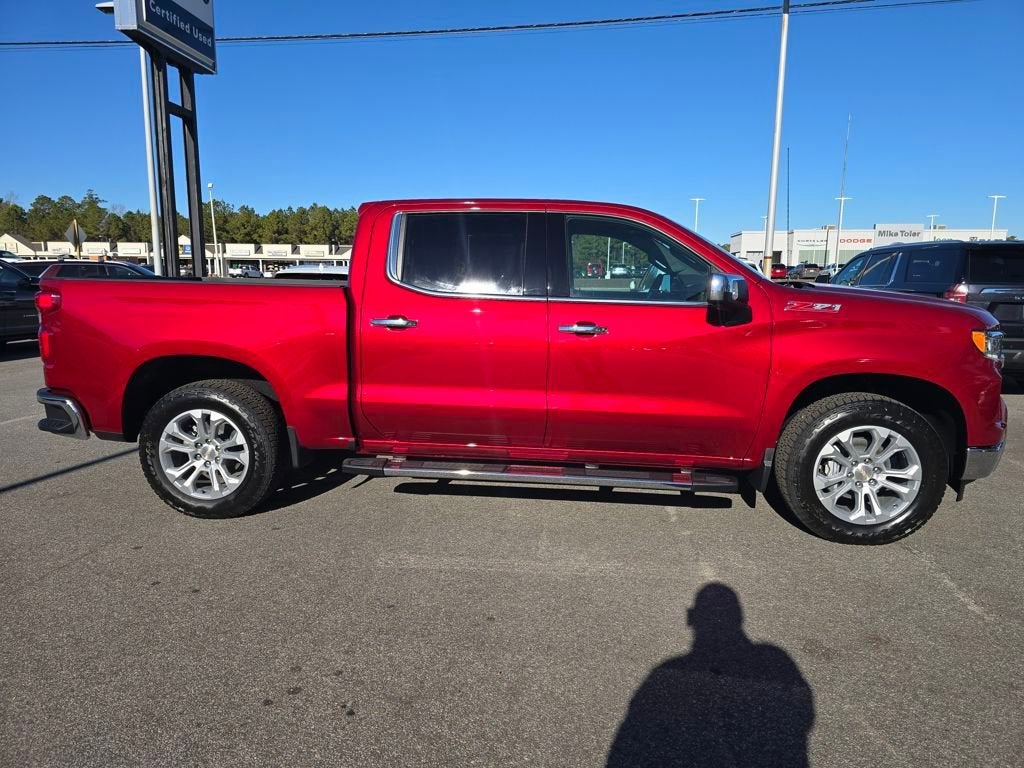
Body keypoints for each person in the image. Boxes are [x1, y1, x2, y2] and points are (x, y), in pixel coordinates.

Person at [607, 583, 814, 767]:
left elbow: (634, 725)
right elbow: (804, 715)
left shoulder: (672, 665)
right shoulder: (775, 657)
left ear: (692, 617)